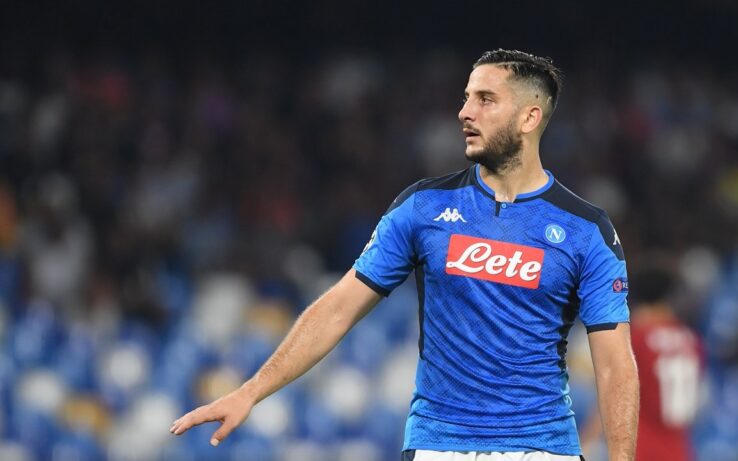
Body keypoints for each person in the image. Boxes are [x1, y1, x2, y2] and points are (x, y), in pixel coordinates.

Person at [170, 49, 639, 461]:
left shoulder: (586, 230)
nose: (465, 112)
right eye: (466, 98)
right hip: (438, 445)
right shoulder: (423, 207)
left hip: (542, 447)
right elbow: (337, 309)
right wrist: (250, 392)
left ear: (529, 118)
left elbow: (615, 363)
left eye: (485, 99)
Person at [626, 264, 702, 461]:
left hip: (643, 448)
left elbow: (618, 394)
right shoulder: (692, 340)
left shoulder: (639, 337)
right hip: (681, 451)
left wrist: (588, 440)